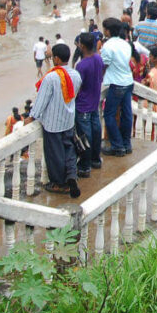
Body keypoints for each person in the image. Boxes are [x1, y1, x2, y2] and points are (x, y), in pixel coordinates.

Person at [26, 43, 81, 197]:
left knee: (55, 154)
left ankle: (59, 183)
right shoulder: (75, 75)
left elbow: (41, 102)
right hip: (68, 119)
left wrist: (31, 117)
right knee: (69, 149)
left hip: (53, 123)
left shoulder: (51, 77)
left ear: (56, 59)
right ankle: (71, 174)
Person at [100, 17, 134, 157]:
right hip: (128, 81)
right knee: (127, 114)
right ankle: (126, 144)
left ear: (107, 30)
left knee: (109, 115)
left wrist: (99, 79)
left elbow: (104, 65)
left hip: (117, 83)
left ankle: (117, 146)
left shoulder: (108, 46)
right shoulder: (125, 43)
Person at [73, 33, 104, 178]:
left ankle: (85, 166)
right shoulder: (98, 58)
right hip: (94, 100)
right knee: (96, 130)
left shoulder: (81, 65)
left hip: (83, 104)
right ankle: (95, 159)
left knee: (85, 136)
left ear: (82, 46)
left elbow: (77, 86)